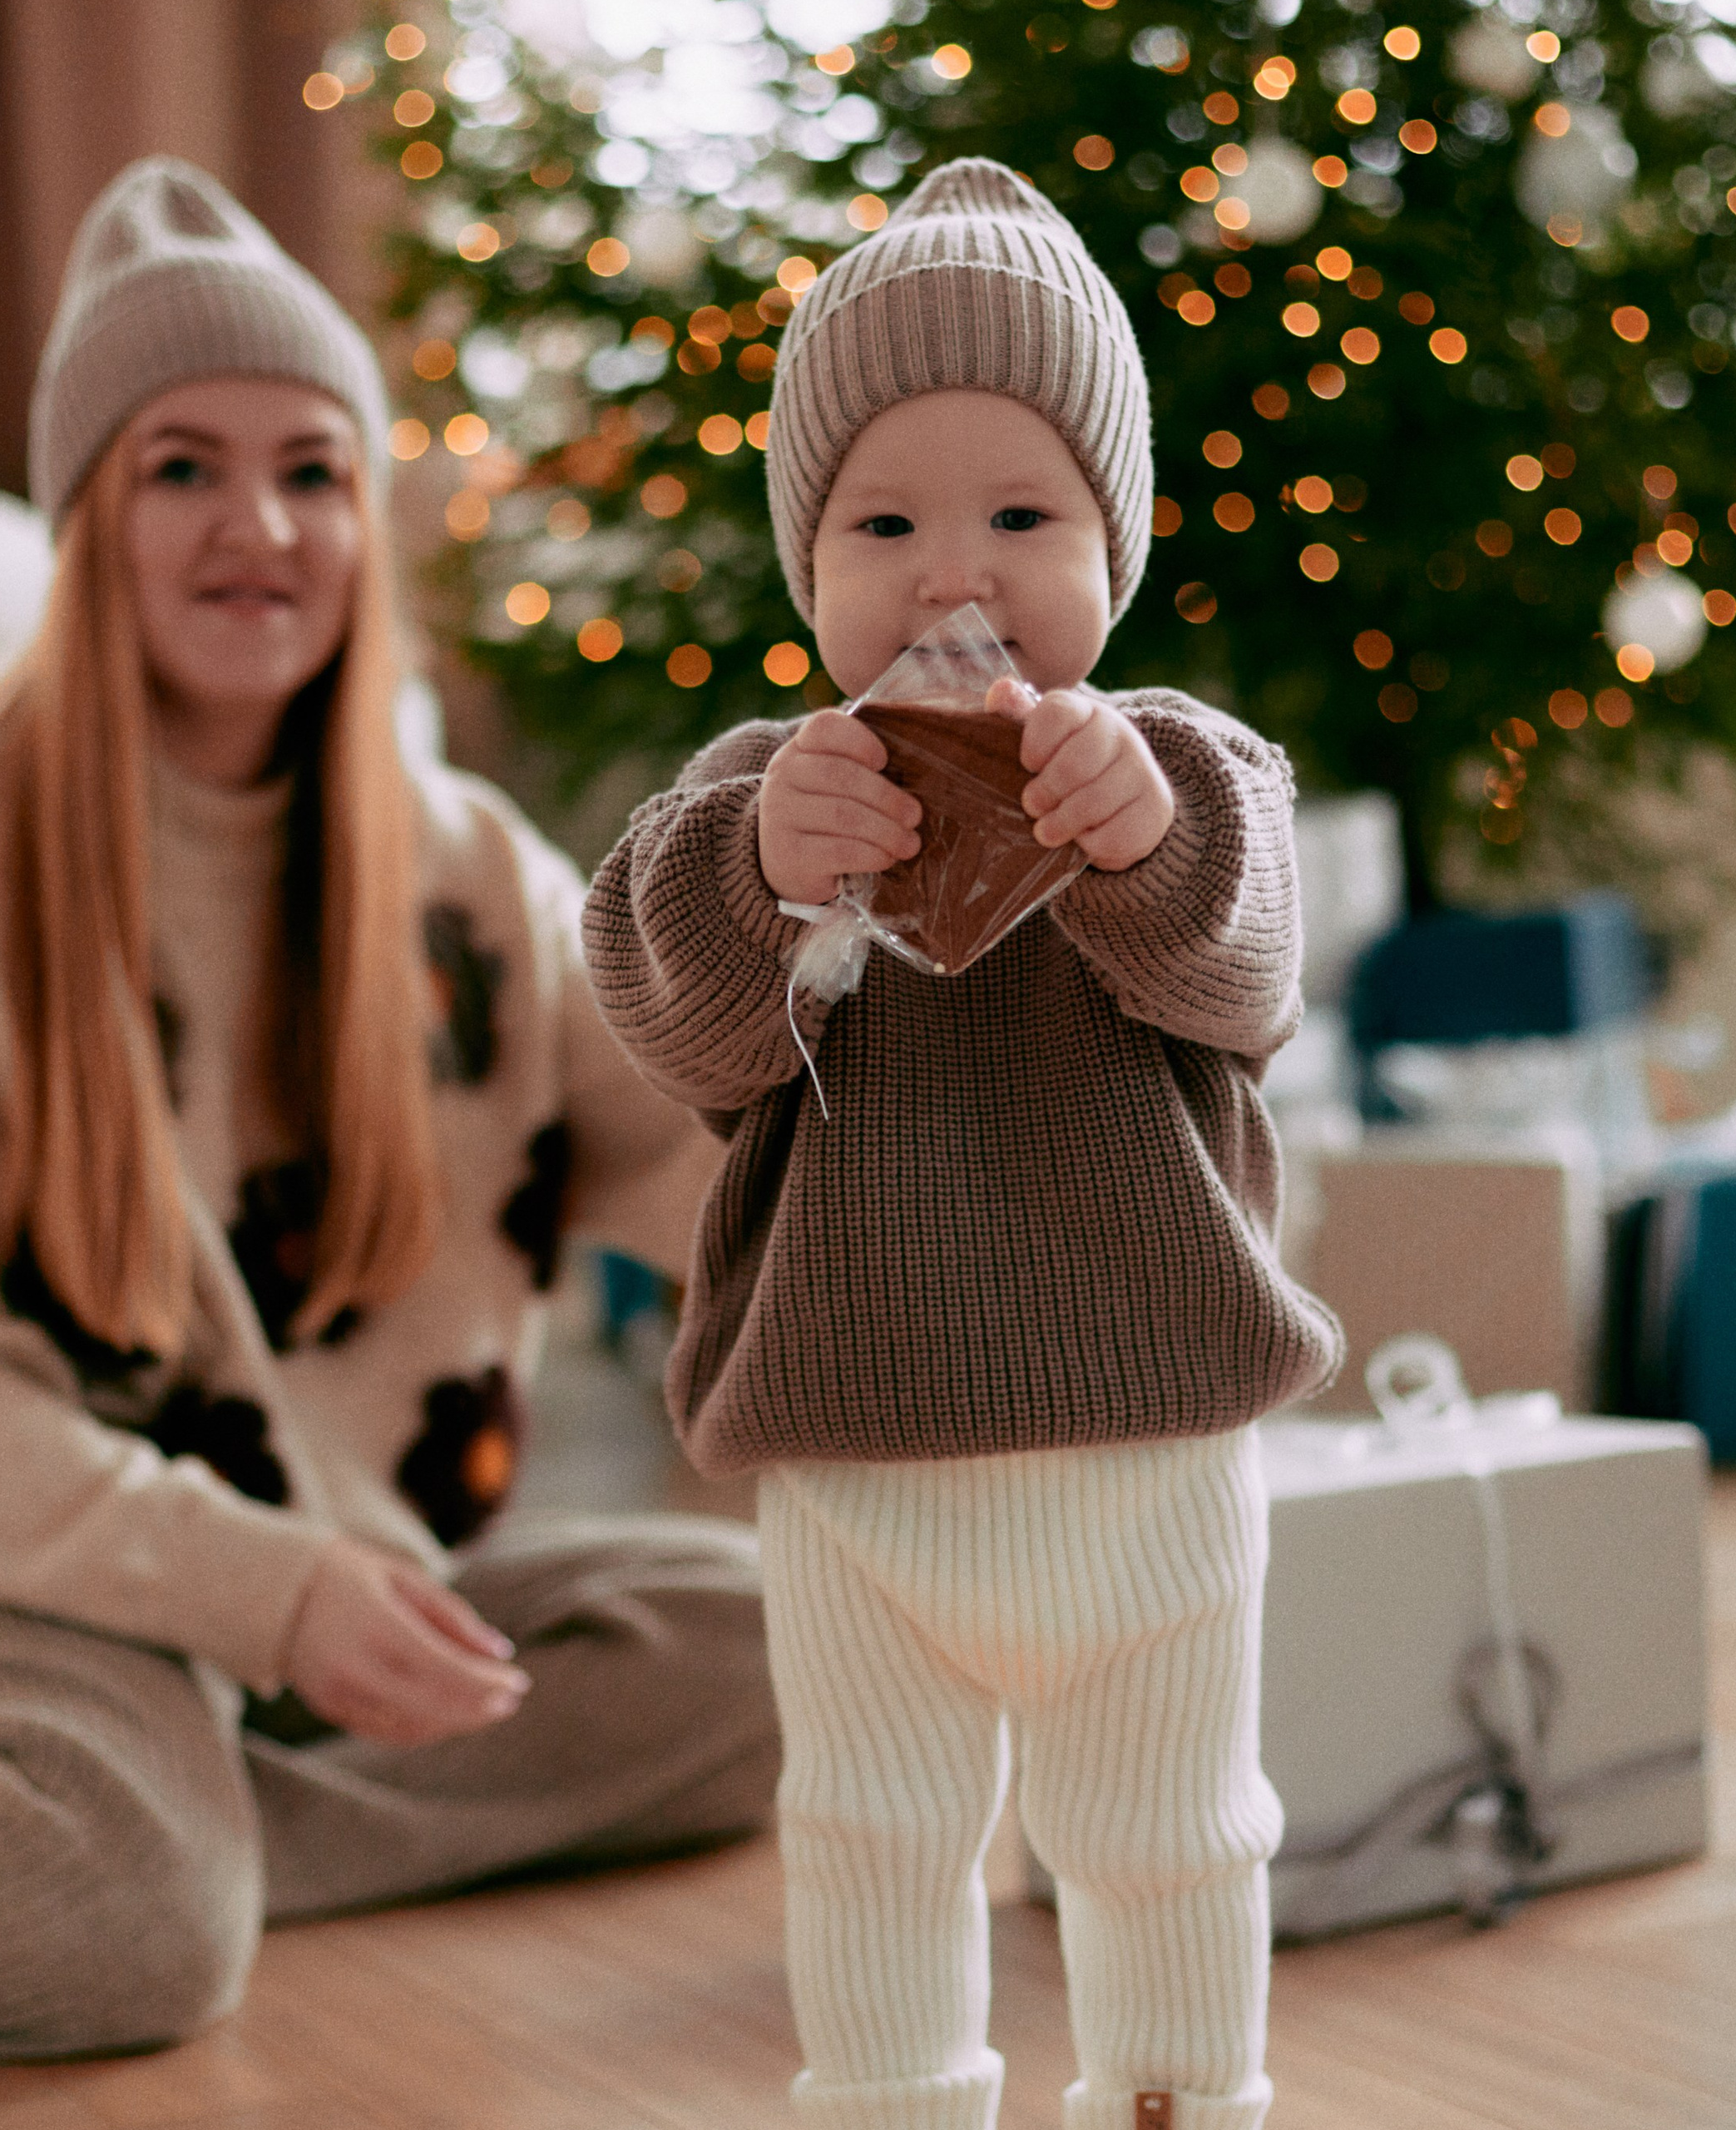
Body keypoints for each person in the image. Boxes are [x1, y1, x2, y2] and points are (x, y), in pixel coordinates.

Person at [0, 157, 775, 2067]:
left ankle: (133, 1833)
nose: (254, 524)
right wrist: (260, 1594)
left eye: (311, 469)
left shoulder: (467, 869)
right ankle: (110, 1847)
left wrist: (966, 1168)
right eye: (180, 466)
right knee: (145, 1930)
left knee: (777, 1648)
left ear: (365, 518)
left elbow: (711, 1181)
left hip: (323, 1585)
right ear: (87, 515)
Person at [583, 160, 1344, 2130]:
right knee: (865, 1833)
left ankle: (1182, 2097)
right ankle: (886, 2101)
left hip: (1150, 1430)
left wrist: (1140, 840)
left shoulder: (1180, 764)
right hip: (853, 1448)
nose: (953, 578)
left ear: (1116, 543)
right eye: (885, 523)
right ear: (804, 563)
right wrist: (757, 878)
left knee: (1174, 1830)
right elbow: (671, 1018)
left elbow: (1245, 974)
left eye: (1021, 516)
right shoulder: (762, 794)